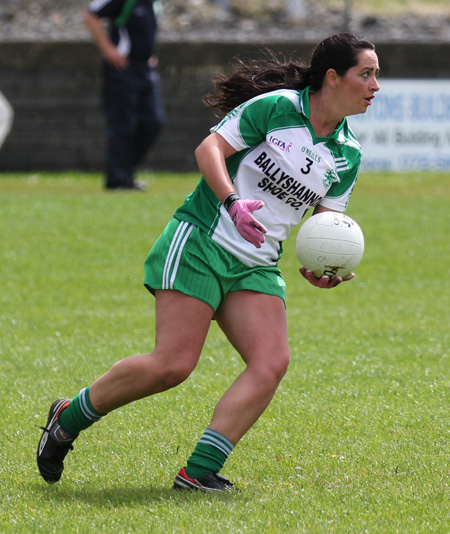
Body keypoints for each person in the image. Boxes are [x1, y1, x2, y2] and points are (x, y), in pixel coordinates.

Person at [36, 32, 380, 492]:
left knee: (271, 362)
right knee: (171, 366)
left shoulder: (348, 153)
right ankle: (68, 415)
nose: (376, 85)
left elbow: (327, 225)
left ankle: (198, 472)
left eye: (376, 75)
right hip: (202, 238)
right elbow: (209, 150)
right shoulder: (277, 107)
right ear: (333, 78)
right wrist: (234, 202)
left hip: (256, 264)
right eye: (367, 74)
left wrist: (324, 267)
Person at [83, 0, 165, 190]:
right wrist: (109, 50)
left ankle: (126, 172)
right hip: (122, 69)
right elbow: (90, 15)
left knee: (154, 123)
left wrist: (151, 53)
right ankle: (118, 180)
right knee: (123, 125)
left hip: (146, 70)